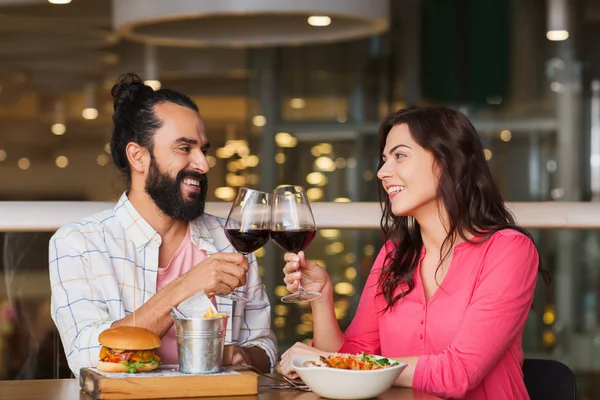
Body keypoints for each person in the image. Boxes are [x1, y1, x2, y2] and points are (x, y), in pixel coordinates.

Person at [279, 107, 550, 400]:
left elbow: (458, 373)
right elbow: (350, 358)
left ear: (447, 161)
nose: (382, 172)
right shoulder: (394, 255)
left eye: (400, 156)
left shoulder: (508, 250)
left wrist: (344, 366)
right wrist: (320, 297)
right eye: (384, 160)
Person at [49, 73, 277, 377]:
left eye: (203, 149)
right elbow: (87, 356)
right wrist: (186, 287)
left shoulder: (229, 240)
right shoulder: (78, 244)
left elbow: (266, 348)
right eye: (185, 148)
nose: (203, 164)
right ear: (138, 157)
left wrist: (239, 355)